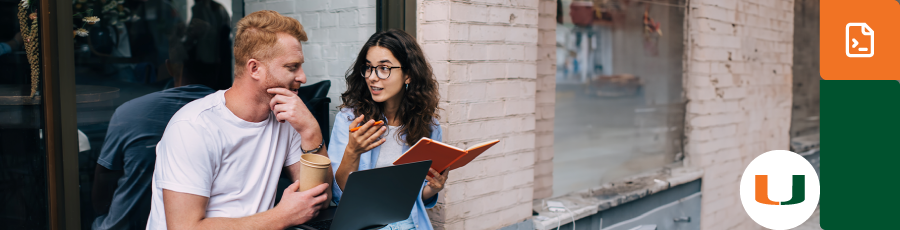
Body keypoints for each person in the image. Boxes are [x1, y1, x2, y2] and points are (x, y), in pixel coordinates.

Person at [147, 10, 331, 229]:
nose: (303, 77)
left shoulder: (286, 120)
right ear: (255, 68)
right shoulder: (193, 127)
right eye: (292, 67)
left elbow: (320, 199)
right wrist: (282, 216)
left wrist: (311, 131)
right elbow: (184, 227)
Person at [90, 18, 223, 230]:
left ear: (170, 67)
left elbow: (100, 196)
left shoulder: (130, 113)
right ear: (217, 67)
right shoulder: (235, 116)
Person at [328, 29, 448, 230]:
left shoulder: (428, 127)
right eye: (368, 67)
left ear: (408, 75)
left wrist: (434, 189)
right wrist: (352, 152)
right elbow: (340, 196)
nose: (372, 77)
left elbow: (415, 197)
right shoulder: (351, 120)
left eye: (384, 68)